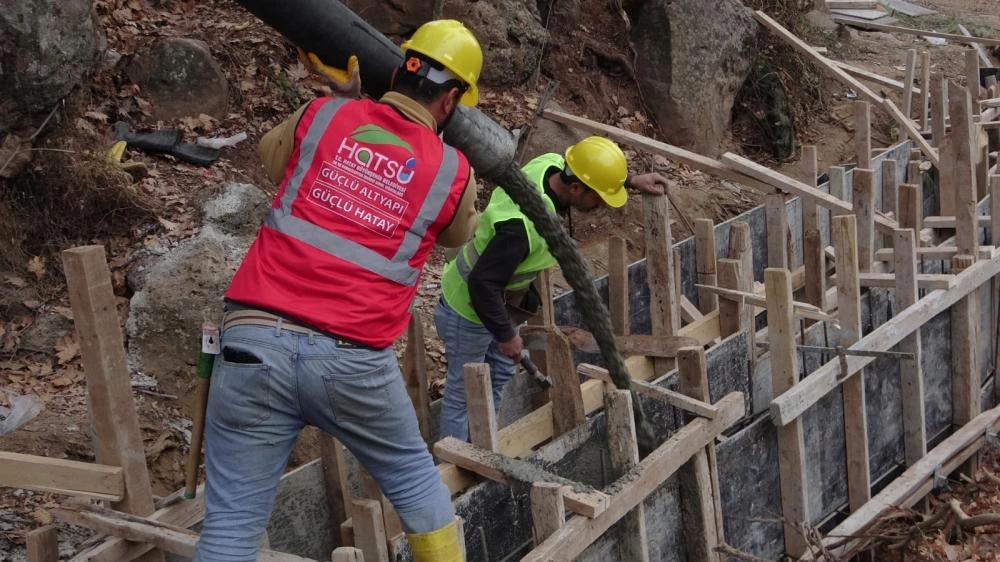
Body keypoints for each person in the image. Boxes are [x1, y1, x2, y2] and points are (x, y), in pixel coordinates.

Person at [193, 20, 482, 562]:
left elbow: (273, 159)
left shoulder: (323, 115)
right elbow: (458, 234)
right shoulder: (451, 170)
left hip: (253, 341)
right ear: (451, 101)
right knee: (419, 487)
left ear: (398, 70)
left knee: (230, 526)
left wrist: (347, 111)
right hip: (353, 361)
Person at [435, 136, 668, 441]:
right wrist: (506, 335)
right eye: (598, 197)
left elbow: (589, 168)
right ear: (575, 189)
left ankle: (482, 446)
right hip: (467, 308)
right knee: (463, 395)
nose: (600, 206)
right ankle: (456, 473)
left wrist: (629, 182)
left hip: (496, 304)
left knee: (497, 379)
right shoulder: (521, 228)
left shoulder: (552, 164)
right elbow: (482, 283)